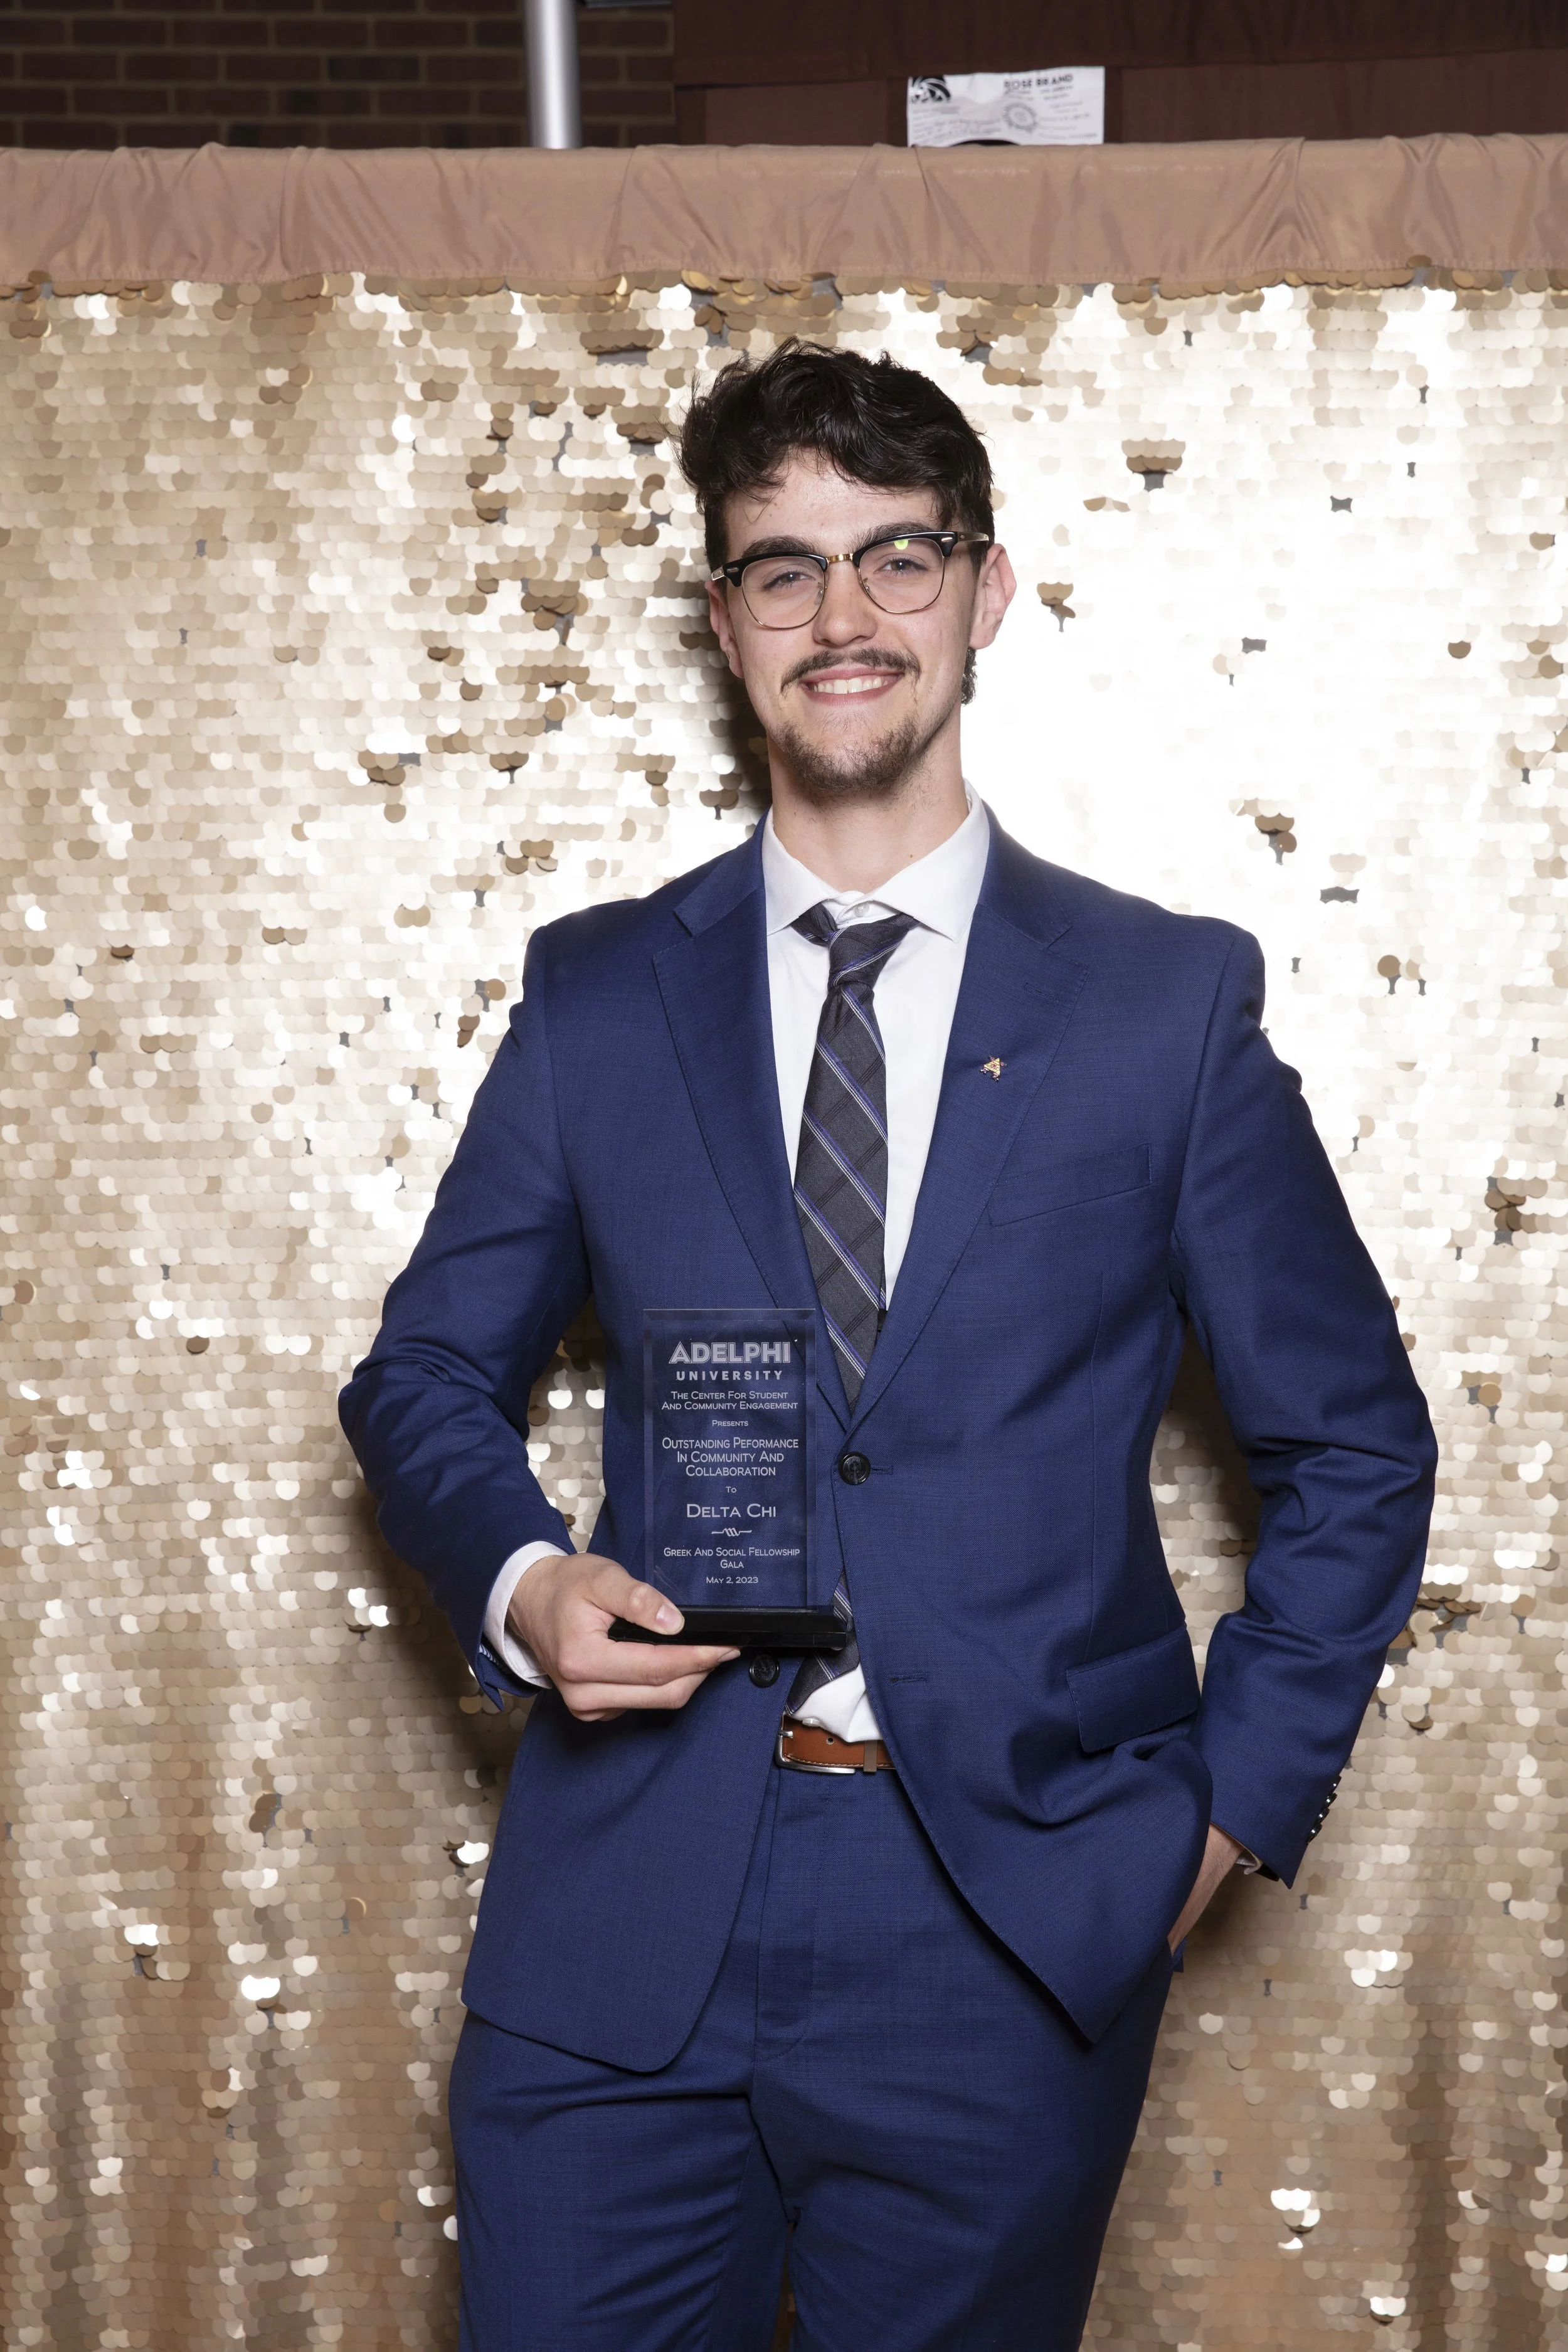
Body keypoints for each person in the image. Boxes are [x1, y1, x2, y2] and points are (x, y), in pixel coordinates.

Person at [340, 341, 1436, 2352]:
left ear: (983, 590)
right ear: (722, 620)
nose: (842, 618)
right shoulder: (597, 996)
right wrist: (522, 1577)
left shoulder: (1159, 1006)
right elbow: (418, 1376)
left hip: (1005, 1929)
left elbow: (1355, 1445)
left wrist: (1201, 1832)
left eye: (894, 557)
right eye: (782, 568)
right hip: (623, 1914)